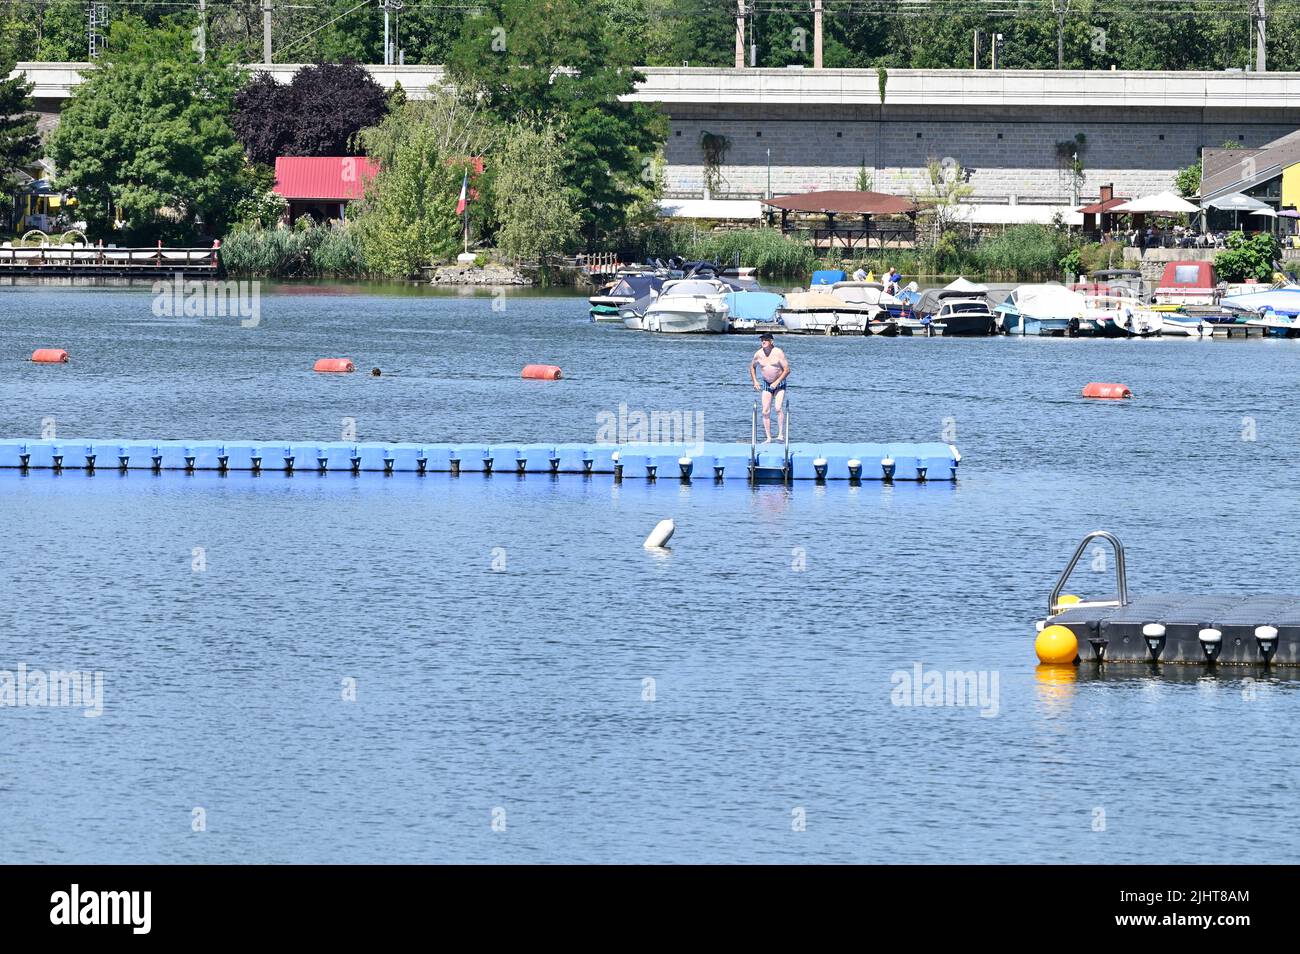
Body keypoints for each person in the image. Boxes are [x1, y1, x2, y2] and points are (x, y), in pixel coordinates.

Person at [750, 333, 789, 443]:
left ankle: (780, 434)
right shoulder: (758, 354)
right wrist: (755, 381)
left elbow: (787, 370)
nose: (763, 341)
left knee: (777, 408)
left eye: (766, 339)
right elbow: (752, 367)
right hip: (767, 384)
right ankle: (768, 438)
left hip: (779, 384)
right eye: (762, 339)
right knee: (765, 411)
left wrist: (777, 382)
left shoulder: (778, 353)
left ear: (771, 341)